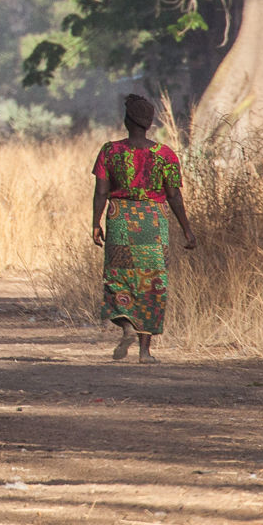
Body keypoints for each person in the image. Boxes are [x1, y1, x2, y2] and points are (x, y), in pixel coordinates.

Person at [89, 92, 197, 362]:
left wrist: (95, 223)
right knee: (151, 284)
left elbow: (101, 191)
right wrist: (187, 229)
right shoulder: (165, 155)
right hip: (152, 224)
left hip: (120, 221)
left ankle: (126, 325)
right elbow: (174, 195)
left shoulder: (109, 151)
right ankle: (145, 352)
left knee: (119, 278)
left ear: (126, 121)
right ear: (149, 123)